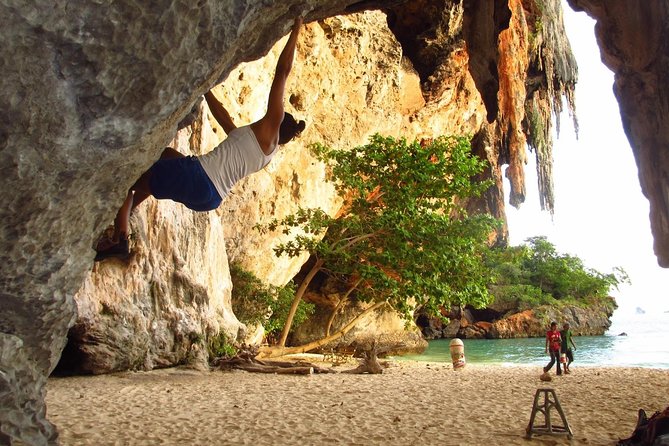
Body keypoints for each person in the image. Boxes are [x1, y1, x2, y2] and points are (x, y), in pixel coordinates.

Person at [95, 18, 306, 261]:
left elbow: (283, 72)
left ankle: (119, 238)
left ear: (278, 123)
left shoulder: (271, 127)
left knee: (127, 177)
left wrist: (297, 27)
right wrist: (206, 89)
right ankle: (128, 212)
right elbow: (225, 120)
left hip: (198, 177)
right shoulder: (262, 152)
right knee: (164, 156)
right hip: (209, 197)